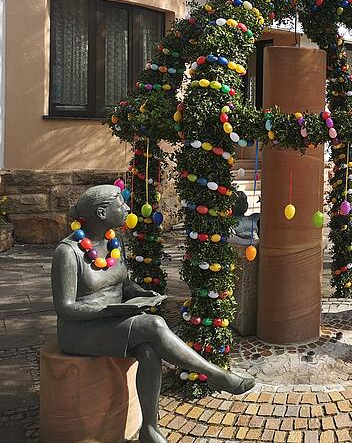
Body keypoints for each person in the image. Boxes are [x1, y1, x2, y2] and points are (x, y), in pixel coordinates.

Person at [51, 185, 255, 443]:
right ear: (101, 212)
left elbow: (122, 284)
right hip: (79, 331)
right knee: (154, 326)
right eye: (120, 203)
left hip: (114, 321)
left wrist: (141, 293)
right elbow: (65, 307)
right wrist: (110, 310)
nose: (127, 208)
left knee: (148, 350)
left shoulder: (114, 241)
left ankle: (149, 428)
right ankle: (216, 376)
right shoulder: (68, 252)